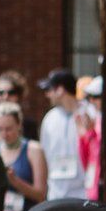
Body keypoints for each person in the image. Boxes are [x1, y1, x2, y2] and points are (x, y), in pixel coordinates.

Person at [36, 70, 87, 202]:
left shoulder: (89, 114)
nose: (47, 94)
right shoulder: (49, 118)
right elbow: (44, 153)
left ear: (60, 90)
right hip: (56, 193)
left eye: (49, 90)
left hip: (84, 192)